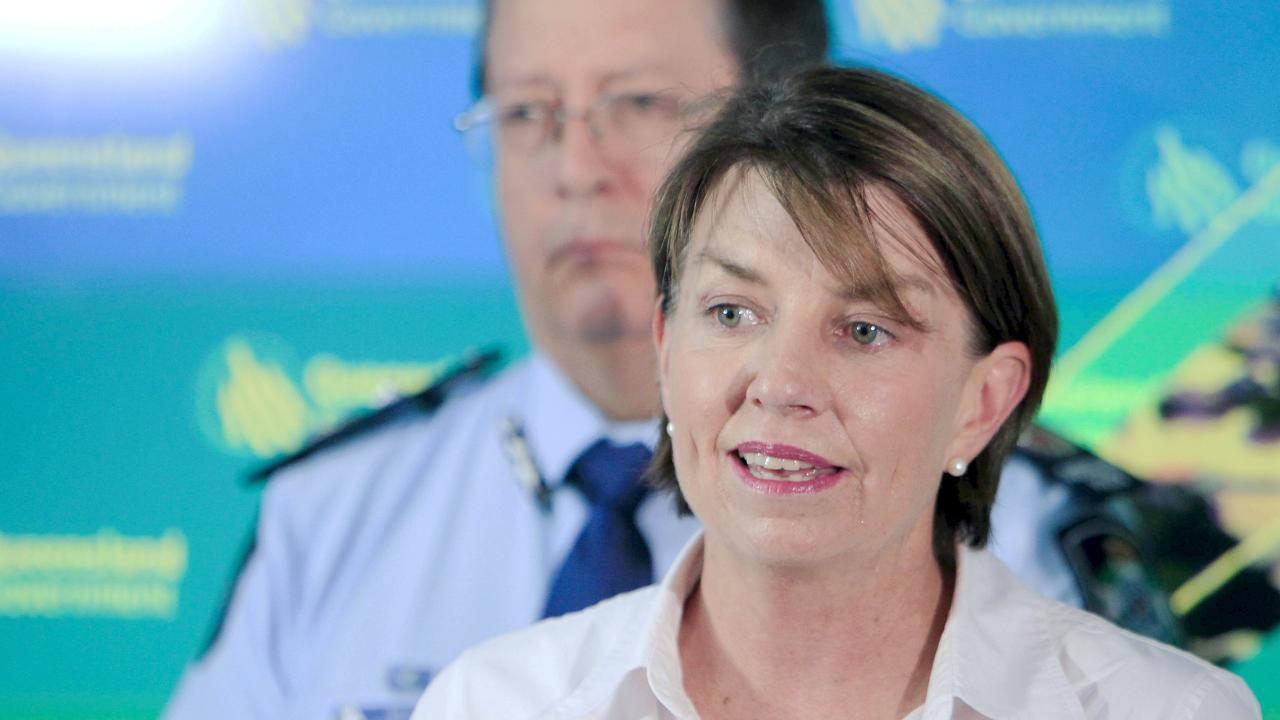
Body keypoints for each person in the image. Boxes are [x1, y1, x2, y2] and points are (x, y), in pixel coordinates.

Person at [411, 66, 1260, 719]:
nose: (780, 384)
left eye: (865, 329)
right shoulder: (496, 702)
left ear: (985, 401)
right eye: (733, 311)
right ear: (667, 351)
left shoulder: (1164, 710)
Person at [162, 1, 829, 718]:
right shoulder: (333, 516)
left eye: (639, 103)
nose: (575, 169)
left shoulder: (893, 510)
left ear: (792, 138)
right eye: (524, 113)